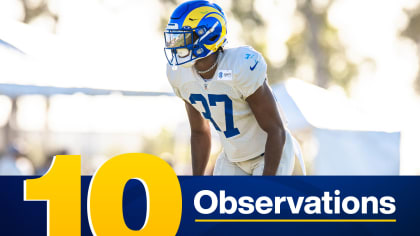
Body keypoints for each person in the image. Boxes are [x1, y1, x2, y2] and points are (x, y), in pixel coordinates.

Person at [164, 0, 305, 176]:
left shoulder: (239, 66)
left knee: (256, 201)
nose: (176, 44)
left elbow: (275, 130)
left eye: (183, 37)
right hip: (233, 158)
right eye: (174, 37)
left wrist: (266, 187)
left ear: (207, 35)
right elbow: (200, 131)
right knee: (217, 202)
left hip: (270, 152)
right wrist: (197, 182)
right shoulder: (180, 75)